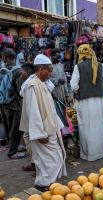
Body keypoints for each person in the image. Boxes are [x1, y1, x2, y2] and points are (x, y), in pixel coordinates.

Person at [19, 54, 66, 191]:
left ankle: (46, 185)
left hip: (48, 129)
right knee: (49, 160)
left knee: (51, 160)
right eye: (49, 70)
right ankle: (43, 186)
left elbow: (49, 108)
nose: (50, 74)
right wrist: (39, 134)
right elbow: (33, 113)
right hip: (41, 132)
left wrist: (58, 126)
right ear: (40, 69)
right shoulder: (32, 86)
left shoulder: (42, 83)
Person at [70, 44, 103, 161]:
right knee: (99, 125)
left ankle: (88, 154)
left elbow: (73, 86)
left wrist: (82, 88)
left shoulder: (78, 67)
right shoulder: (101, 66)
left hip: (84, 102)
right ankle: (100, 152)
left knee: (86, 127)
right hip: (98, 102)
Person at [0, 48, 26, 159]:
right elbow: (21, 90)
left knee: (8, 126)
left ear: (4, 58)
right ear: (14, 57)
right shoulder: (18, 71)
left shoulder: (1, 69)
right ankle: (12, 152)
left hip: (3, 103)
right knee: (16, 128)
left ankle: (13, 146)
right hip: (15, 104)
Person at [19, 63, 37, 172]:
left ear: (28, 72)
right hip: (31, 116)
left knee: (29, 137)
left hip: (32, 117)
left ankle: (35, 164)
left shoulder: (30, 84)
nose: (21, 74)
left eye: (22, 72)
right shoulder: (30, 82)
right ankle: (34, 163)